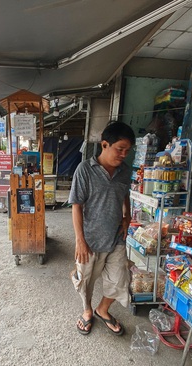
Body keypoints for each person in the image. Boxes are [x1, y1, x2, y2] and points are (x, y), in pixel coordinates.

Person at [69, 121, 135, 335]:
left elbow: (125, 194)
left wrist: (127, 216)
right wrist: (80, 240)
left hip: (115, 237)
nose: (124, 154)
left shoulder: (125, 172)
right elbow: (76, 205)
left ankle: (102, 309)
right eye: (120, 149)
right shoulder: (85, 170)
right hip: (90, 239)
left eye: (127, 150)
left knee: (120, 279)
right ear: (105, 144)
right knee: (86, 281)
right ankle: (87, 310)